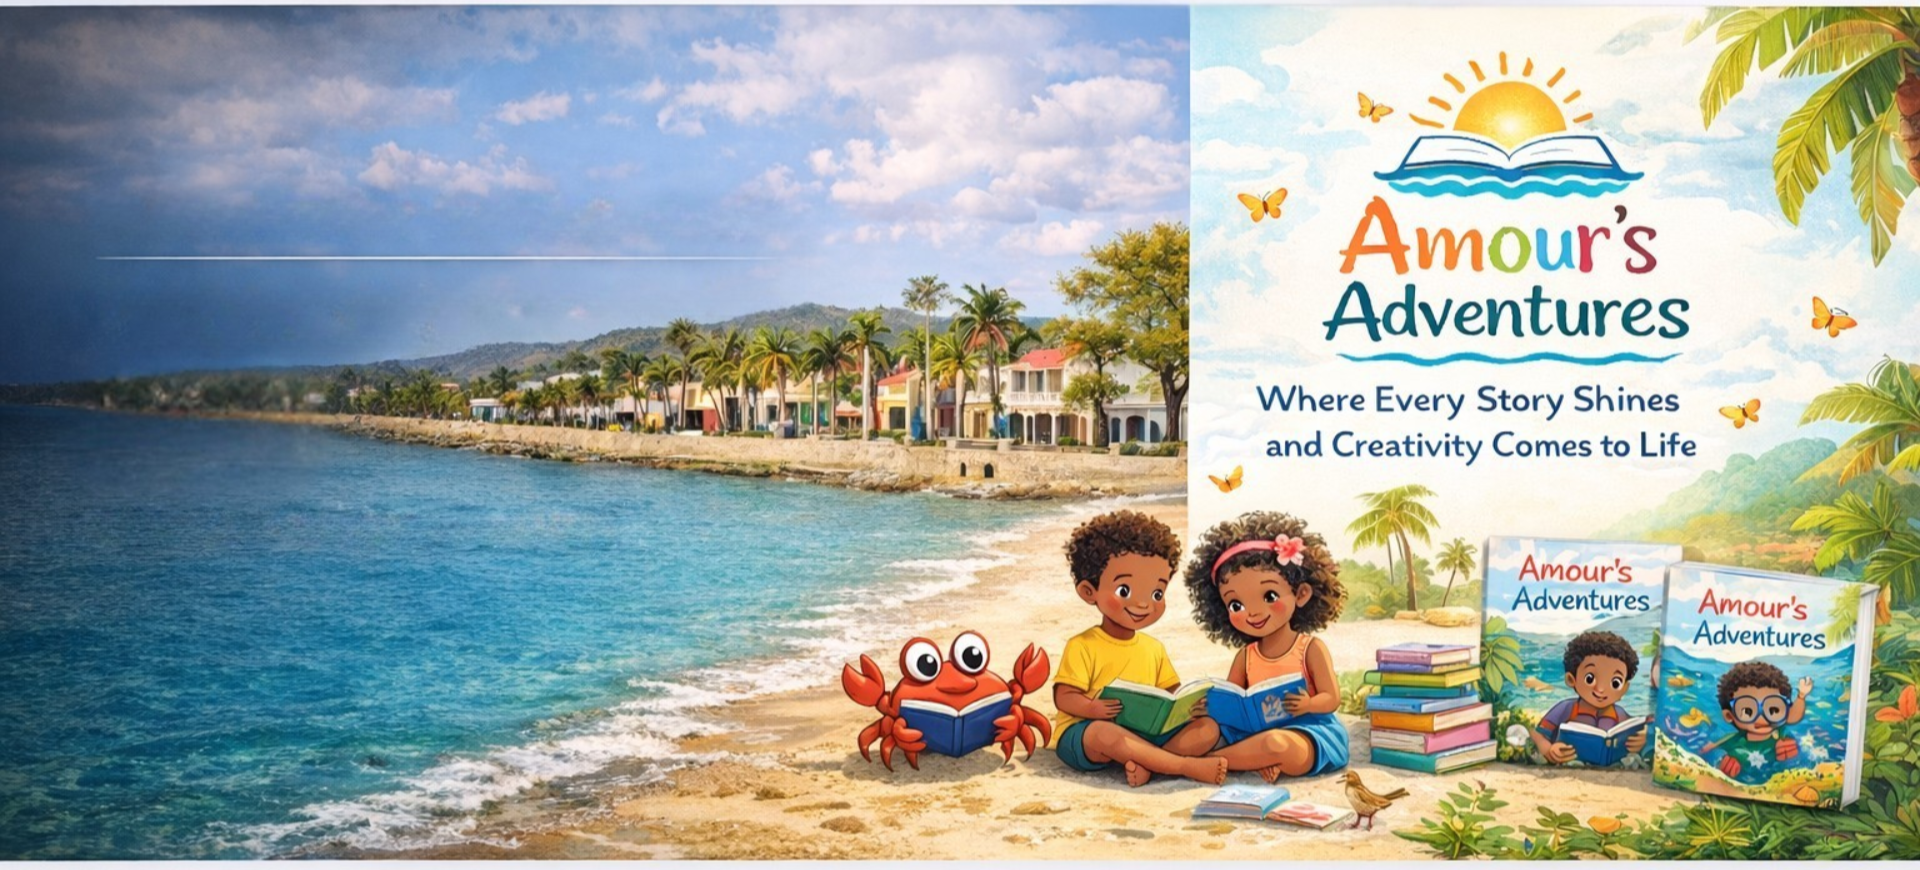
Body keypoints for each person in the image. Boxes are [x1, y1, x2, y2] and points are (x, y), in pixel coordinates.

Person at [1050, 510, 1227, 787]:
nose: (1144, 604)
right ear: (1089, 591)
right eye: (1125, 591)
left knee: (1208, 728)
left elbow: (1171, 694)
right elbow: (1064, 698)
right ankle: (1181, 765)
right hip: (1085, 733)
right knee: (1104, 734)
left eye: (1157, 593)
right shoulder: (1082, 645)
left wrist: (1187, 708)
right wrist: (1093, 708)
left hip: (1143, 734)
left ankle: (1148, 764)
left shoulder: (1153, 648)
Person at [1183, 511, 1350, 782]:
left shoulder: (1310, 648)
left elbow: (1332, 698)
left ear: (1301, 594)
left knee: (1277, 745)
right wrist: (1212, 707)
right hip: (1251, 734)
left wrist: (1308, 704)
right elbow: (1233, 701)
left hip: (1305, 731)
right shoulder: (1245, 656)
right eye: (1236, 605)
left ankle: (1196, 763)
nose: (1253, 612)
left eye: (1269, 596)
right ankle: (1241, 760)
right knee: (1204, 730)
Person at [1531, 630, 1648, 764]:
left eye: (1615, 683)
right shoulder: (1566, 708)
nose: (1601, 689)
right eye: (1590, 678)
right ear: (1571, 679)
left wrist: (1643, 738)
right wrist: (1548, 750)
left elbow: (1639, 729)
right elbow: (1537, 734)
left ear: (1624, 689)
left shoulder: (1619, 714)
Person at [1709, 661, 1812, 784]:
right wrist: (1721, 763)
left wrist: (1794, 756)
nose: (1762, 718)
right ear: (1729, 715)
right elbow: (1706, 752)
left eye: (1773, 709)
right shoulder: (1733, 742)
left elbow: (1805, 760)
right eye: (1748, 711)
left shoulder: (1782, 735)